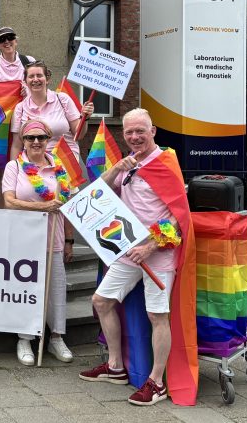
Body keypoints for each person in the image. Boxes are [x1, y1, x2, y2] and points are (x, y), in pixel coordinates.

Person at [80, 108, 191, 406]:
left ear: (153, 131)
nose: (134, 137)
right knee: (101, 301)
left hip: (157, 253)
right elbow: (97, 192)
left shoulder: (166, 164)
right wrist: (116, 169)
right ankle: (116, 366)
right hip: (128, 251)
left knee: (157, 315)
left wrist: (150, 247)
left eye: (140, 131)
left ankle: (156, 382)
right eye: (129, 132)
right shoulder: (127, 164)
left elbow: (178, 218)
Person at [2, 119, 73, 365]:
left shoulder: (59, 168)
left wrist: (70, 240)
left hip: (54, 238)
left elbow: (68, 206)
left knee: (56, 290)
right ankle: (24, 339)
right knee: (27, 289)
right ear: (23, 141)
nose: (36, 142)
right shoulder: (15, 167)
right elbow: (9, 201)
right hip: (25, 240)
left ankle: (56, 338)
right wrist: (42, 206)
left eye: (41, 138)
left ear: (48, 140)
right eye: (30, 138)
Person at [10, 61, 94, 160]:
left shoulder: (62, 99)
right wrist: (14, 169)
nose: (35, 79)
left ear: (47, 79)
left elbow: (78, 135)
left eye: (39, 75)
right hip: (34, 165)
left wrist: (85, 118)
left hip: (66, 162)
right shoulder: (20, 108)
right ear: (25, 81)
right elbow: (17, 145)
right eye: (31, 76)